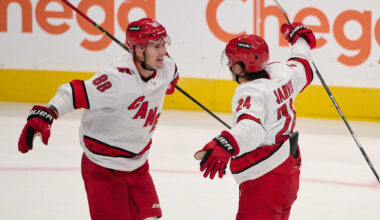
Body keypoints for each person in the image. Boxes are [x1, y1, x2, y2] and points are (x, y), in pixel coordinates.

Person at [18, 18, 179, 220]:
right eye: (156, 46)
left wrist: (169, 83)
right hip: (104, 169)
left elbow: (172, 77)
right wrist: (46, 113)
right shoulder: (117, 79)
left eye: (164, 44)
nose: (163, 51)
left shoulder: (166, 67)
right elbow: (72, 93)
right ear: (138, 50)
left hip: (138, 167)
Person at [194, 22, 316, 219]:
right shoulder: (282, 72)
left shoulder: (250, 91)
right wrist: (298, 38)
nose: (229, 66)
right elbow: (303, 64)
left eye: (231, 61)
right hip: (288, 170)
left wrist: (226, 144)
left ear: (240, 67)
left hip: (265, 178)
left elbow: (252, 129)